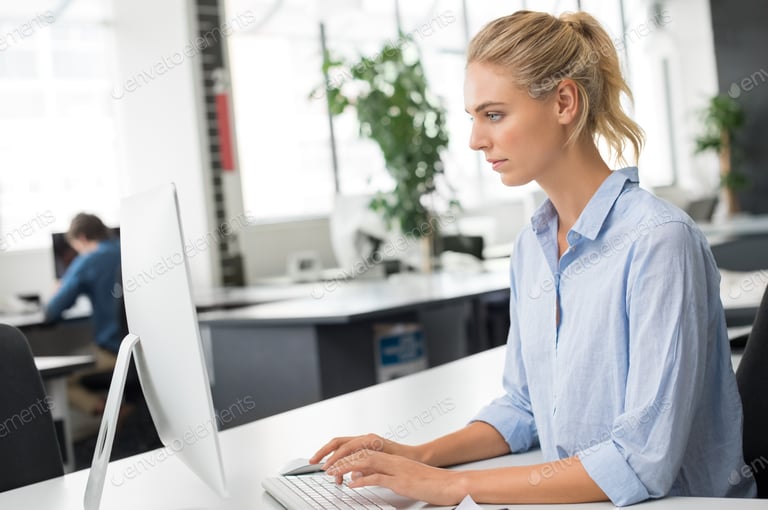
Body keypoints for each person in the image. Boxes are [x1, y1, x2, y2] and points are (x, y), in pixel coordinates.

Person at [308, 10, 757, 506]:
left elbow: (639, 461)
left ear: (564, 102)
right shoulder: (532, 246)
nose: (476, 139)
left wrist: (454, 486)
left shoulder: (659, 242)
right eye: (473, 117)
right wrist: (417, 455)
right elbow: (523, 408)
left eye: (494, 114)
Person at [45, 213, 124, 415]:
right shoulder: (128, 249)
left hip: (112, 353)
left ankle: (116, 413)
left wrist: (58, 289)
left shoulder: (88, 260)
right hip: (145, 350)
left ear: (81, 238)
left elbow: (52, 311)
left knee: (55, 379)